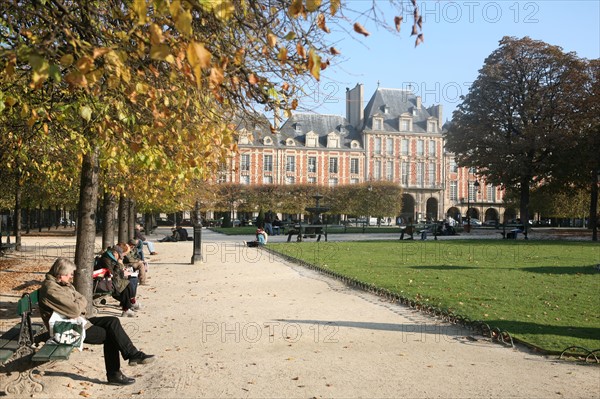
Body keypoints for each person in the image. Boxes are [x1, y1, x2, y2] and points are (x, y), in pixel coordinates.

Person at [38, 258, 155, 385]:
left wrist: (78, 303)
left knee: (113, 321)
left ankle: (133, 355)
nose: (71, 277)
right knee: (110, 335)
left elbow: (82, 298)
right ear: (60, 274)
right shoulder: (51, 289)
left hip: (76, 321)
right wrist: (78, 304)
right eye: (69, 274)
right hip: (65, 328)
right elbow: (75, 309)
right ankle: (115, 374)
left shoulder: (62, 284)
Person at [96, 246, 140, 317]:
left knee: (127, 283)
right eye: (119, 255)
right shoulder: (106, 259)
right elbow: (112, 274)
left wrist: (121, 267)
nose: (120, 257)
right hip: (104, 281)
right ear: (115, 253)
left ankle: (127, 307)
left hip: (108, 279)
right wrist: (119, 264)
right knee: (125, 285)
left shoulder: (110, 258)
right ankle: (128, 306)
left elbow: (117, 274)